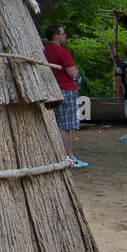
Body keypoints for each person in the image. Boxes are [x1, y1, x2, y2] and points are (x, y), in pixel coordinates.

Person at [43, 25, 88, 169]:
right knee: (65, 125)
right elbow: (73, 73)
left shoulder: (43, 50)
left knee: (59, 124)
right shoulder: (63, 52)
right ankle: (67, 156)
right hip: (66, 90)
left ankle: (66, 155)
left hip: (50, 90)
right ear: (56, 36)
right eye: (63, 33)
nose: (65, 36)